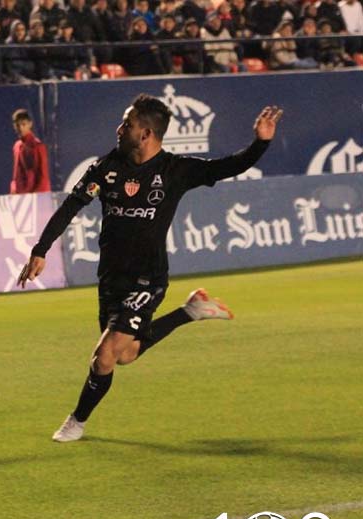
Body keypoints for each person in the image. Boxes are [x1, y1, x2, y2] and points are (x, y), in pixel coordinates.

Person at [16, 95, 282, 442]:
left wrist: (260, 143)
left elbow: (227, 167)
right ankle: (190, 311)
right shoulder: (107, 167)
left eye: (127, 124)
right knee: (124, 355)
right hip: (111, 278)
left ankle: (76, 421)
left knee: (105, 355)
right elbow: (71, 205)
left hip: (148, 279)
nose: (119, 128)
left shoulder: (175, 170)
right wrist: (41, 249)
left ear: (145, 134)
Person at [9, 108, 50, 193]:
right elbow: (16, 173)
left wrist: (37, 196)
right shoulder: (17, 146)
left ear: (30, 124)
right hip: (20, 196)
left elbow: (43, 176)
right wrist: (14, 189)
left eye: (23, 124)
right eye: (17, 125)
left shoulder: (38, 146)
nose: (20, 128)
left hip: (35, 196)